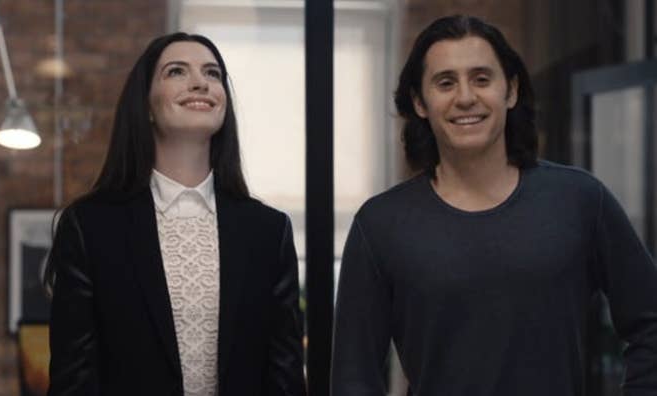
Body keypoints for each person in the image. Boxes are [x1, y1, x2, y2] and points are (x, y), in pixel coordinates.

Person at [331, 15, 657, 396]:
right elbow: (353, 378)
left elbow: (650, 322)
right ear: (420, 102)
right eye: (445, 82)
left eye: (482, 79)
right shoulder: (381, 225)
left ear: (511, 90)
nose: (466, 97)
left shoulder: (580, 200)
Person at [45, 32, 306, 396]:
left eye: (213, 74)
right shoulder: (90, 226)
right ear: (147, 105)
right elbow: (73, 381)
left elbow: (286, 378)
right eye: (177, 72)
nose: (200, 82)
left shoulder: (269, 231)